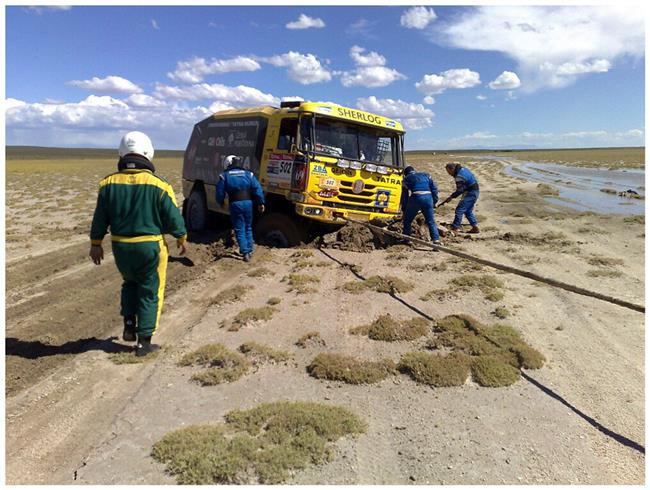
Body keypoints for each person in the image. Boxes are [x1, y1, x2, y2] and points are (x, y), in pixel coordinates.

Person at [89, 131, 187, 357]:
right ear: (148, 153)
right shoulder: (159, 185)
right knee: (150, 290)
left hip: (121, 247)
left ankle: (129, 326)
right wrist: (181, 237)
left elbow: (100, 217)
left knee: (129, 283)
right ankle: (144, 342)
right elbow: (173, 217)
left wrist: (96, 243)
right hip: (149, 246)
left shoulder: (108, 184)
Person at [216, 155, 265, 262]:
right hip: (248, 203)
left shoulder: (224, 176)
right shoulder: (249, 174)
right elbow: (258, 189)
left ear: (228, 163)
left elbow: (219, 192)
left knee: (239, 228)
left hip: (235, 204)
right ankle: (250, 249)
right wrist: (261, 203)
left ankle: (245, 252)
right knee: (248, 227)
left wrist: (221, 202)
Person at [400, 165, 441, 245]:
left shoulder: (406, 179)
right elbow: (434, 189)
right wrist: (434, 202)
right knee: (431, 221)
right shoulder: (426, 175)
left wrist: (404, 210)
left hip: (416, 197)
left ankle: (407, 239)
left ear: (405, 174)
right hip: (428, 198)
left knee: (407, 221)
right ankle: (436, 240)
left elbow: (404, 196)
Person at [440, 162, 480, 234]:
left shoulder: (459, 176)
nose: (449, 174)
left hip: (470, 193)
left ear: (452, 169)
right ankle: (475, 227)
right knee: (468, 211)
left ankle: (455, 228)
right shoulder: (463, 169)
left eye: (449, 172)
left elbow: (460, 190)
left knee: (459, 210)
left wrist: (451, 197)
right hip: (475, 191)